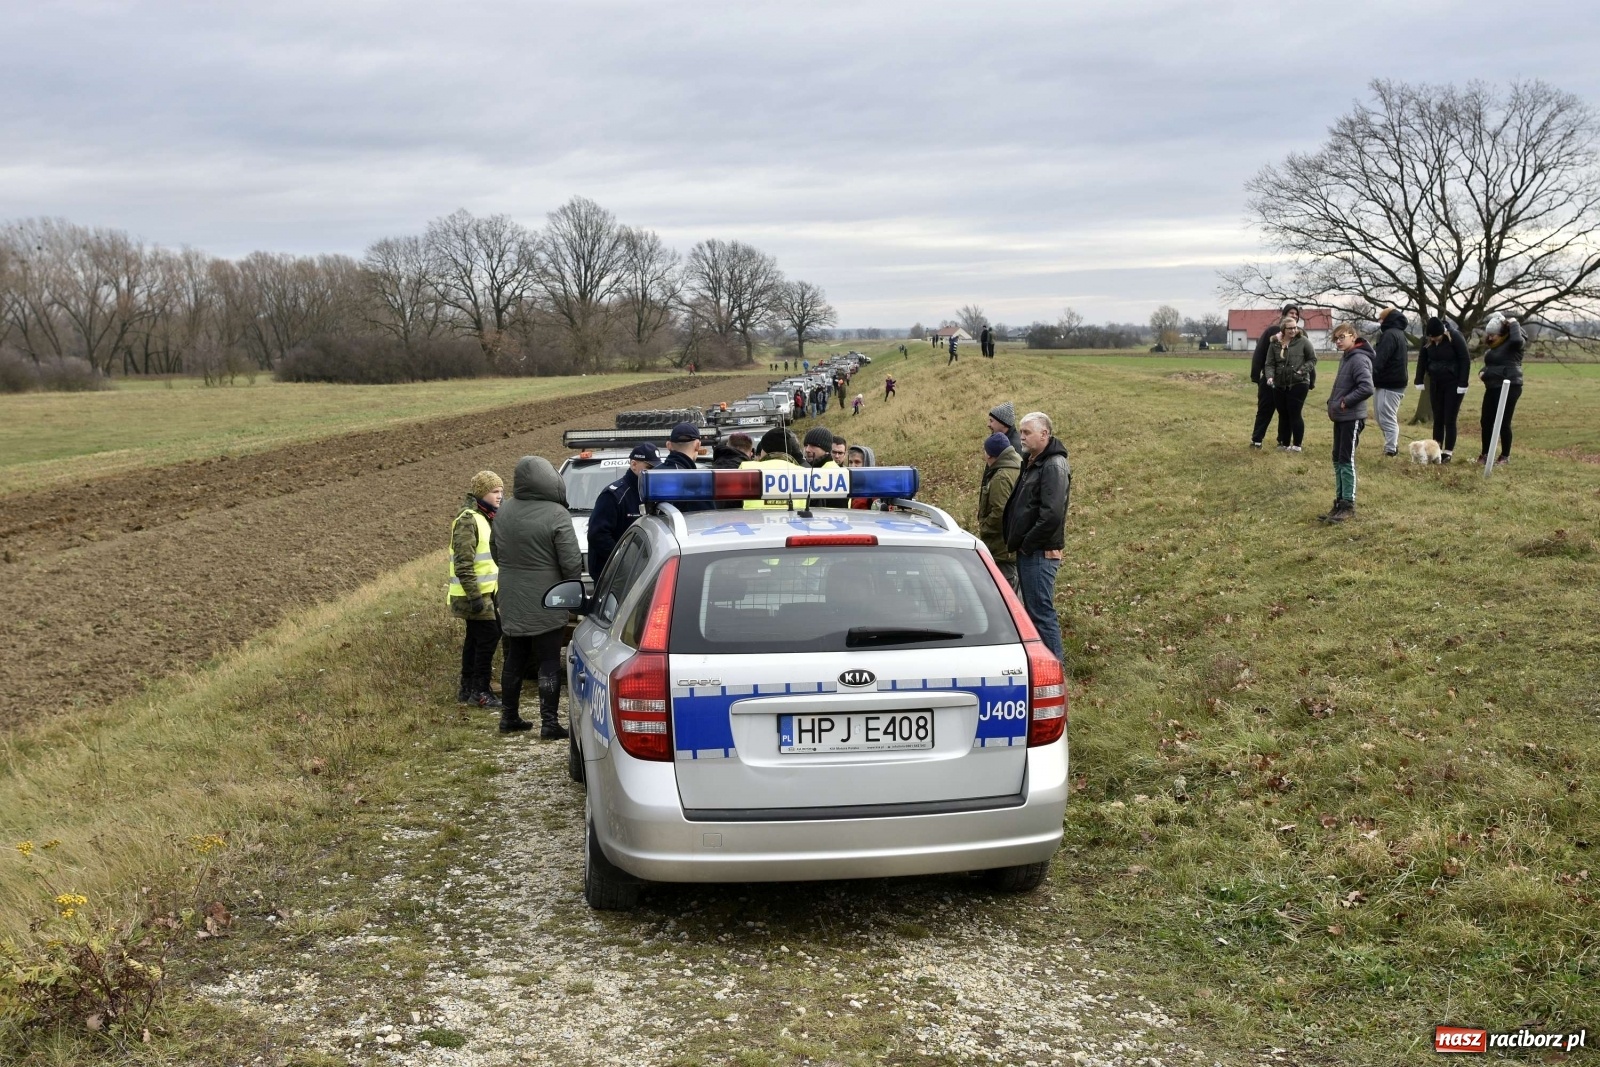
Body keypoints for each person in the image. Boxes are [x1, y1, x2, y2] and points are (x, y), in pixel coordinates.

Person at [493, 456, 582, 736]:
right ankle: (550, 723)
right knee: (548, 660)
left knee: (515, 658)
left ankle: (509, 717)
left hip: (510, 594)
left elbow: (496, 553)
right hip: (547, 596)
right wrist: (570, 587)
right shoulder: (557, 514)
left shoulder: (504, 511)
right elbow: (571, 563)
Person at [1003, 412, 1070, 662]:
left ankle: (1055, 670)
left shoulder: (1053, 465)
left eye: (1027, 432)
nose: (1021, 436)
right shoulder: (1031, 461)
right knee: (1033, 611)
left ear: (1044, 434)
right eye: (1021, 431)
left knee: (1041, 612)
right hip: (1031, 550)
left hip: (1040, 552)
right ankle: (1042, 664)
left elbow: (1051, 515)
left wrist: (1028, 545)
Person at [450, 470, 503, 708]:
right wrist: (474, 596)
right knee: (490, 634)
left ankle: (468, 688)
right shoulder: (468, 519)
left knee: (475, 638)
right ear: (482, 493)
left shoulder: (486, 517)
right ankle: (480, 691)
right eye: (494, 491)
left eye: (501, 491)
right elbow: (463, 562)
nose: (500, 496)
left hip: (484, 593)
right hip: (472, 595)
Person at [1321, 324, 1375, 523]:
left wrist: (1345, 402)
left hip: (1352, 417)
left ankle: (1348, 505)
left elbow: (1367, 387)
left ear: (1353, 336)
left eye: (1342, 337)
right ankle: (1339, 503)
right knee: (1337, 459)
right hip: (1341, 417)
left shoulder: (1359, 359)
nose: (1338, 341)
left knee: (1346, 460)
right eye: (1335, 338)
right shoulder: (1347, 358)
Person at [587, 442, 656, 578]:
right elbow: (598, 535)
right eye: (649, 467)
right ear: (634, 465)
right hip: (615, 576)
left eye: (656, 468)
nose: (653, 472)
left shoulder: (653, 493)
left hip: (643, 574)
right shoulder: (614, 496)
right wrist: (623, 561)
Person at [1415, 316, 1470, 462]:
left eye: (1437, 337)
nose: (1435, 340)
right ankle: (1436, 450)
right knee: (1438, 418)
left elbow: (1465, 359)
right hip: (1436, 382)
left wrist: (1463, 383)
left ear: (1443, 333)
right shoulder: (1428, 341)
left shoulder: (1455, 337)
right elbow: (1422, 359)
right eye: (1432, 338)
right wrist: (1419, 379)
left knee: (1449, 419)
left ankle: (1448, 452)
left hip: (1453, 383)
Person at [1477, 314, 1525, 466]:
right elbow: (1493, 363)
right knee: (1486, 421)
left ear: (1502, 334)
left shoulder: (1514, 344)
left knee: (1504, 422)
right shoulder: (1495, 348)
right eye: (1488, 335)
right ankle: (1485, 454)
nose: (1490, 338)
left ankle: (1505, 456)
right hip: (1492, 387)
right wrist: (1484, 371)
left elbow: (1517, 339)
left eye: (1493, 335)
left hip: (1510, 387)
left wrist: (1514, 322)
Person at [1264, 316, 1317, 452]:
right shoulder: (1274, 344)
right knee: (1283, 413)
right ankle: (1283, 443)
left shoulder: (1303, 341)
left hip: (1299, 382)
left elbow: (1312, 359)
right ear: (1283, 329)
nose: (1293, 330)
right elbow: (1269, 363)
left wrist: (1302, 371)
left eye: (1295, 327)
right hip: (1279, 384)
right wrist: (1269, 377)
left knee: (1295, 412)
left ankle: (1297, 445)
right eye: (1290, 328)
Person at [978, 432, 1022, 593]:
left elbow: (999, 511)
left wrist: (985, 528)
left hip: (1001, 547)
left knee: (1004, 593)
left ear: (991, 455)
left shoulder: (1001, 477)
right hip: (1013, 545)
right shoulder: (1018, 468)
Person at [1250, 304, 1298, 448]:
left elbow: (1307, 357)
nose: (1294, 315)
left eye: (1296, 314)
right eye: (1291, 313)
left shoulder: (1299, 335)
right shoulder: (1272, 331)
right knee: (1265, 410)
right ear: (1284, 315)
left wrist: (1310, 380)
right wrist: (1255, 375)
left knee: (1287, 413)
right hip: (1270, 380)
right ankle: (1256, 440)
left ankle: (1283, 442)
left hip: (1289, 382)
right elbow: (1259, 353)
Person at [1371, 307, 1411, 457]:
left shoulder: (1389, 335)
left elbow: (1380, 359)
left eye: (1381, 319)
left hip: (1390, 383)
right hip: (1389, 382)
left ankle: (1391, 449)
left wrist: (1370, 375)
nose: (1380, 322)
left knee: (1387, 418)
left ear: (1387, 319)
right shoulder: (1399, 334)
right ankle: (1390, 446)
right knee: (1382, 417)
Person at [740, 427, 807, 510]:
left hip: (753, 521)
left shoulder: (747, 469)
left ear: (766, 450)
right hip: (797, 521)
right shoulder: (805, 473)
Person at [659, 422, 712, 511]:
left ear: (668, 445)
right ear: (698, 445)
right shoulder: (698, 483)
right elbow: (707, 519)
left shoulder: (652, 476)